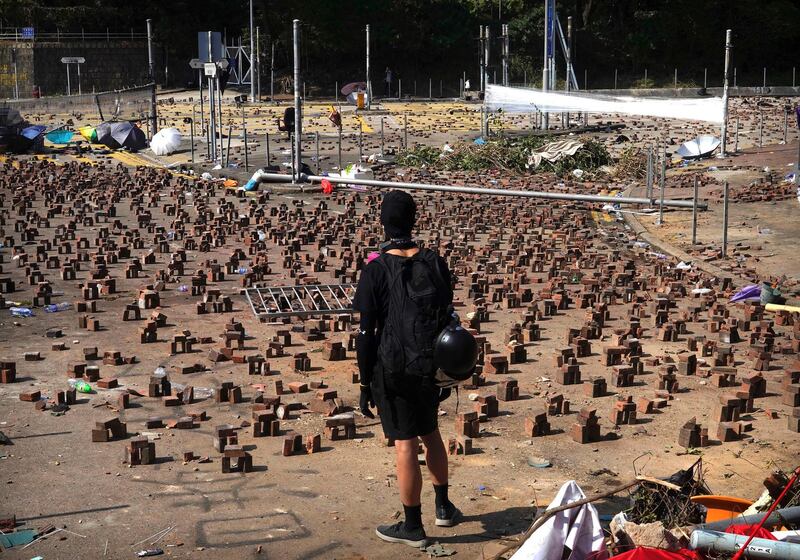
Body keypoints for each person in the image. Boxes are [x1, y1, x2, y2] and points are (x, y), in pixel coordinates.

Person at [354, 190, 460, 548]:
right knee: (431, 432)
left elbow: (367, 332)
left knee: (405, 443)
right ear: (414, 220)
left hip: (394, 366)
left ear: (383, 222)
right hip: (431, 365)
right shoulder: (434, 261)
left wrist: (366, 381)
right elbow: (447, 310)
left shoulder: (376, 270)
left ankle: (412, 526)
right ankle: (443, 507)